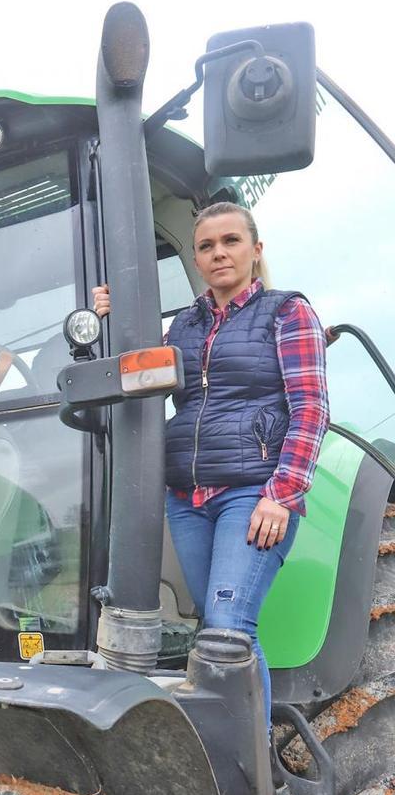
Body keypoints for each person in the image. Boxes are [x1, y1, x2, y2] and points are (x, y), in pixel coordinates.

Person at [92, 201, 330, 731]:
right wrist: (116, 319)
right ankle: (241, 740)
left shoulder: (286, 312)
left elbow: (311, 406)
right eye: (206, 246)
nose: (219, 253)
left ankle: (253, 765)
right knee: (216, 631)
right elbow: (141, 375)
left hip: (252, 493)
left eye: (231, 241)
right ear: (196, 260)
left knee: (229, 629)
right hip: (188, 500)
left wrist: (282, 494)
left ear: (255, 250)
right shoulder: (185, 327)